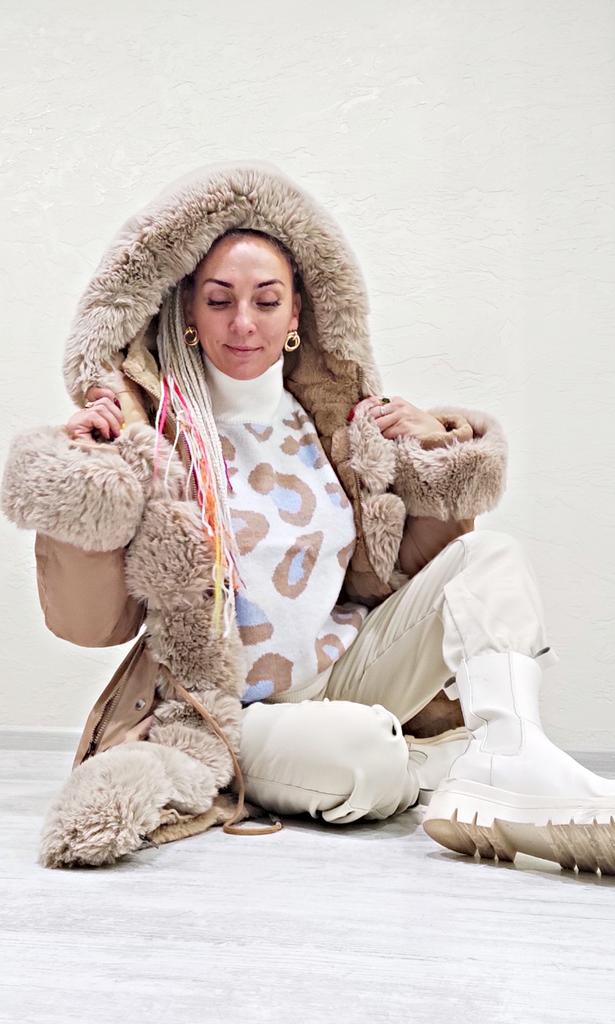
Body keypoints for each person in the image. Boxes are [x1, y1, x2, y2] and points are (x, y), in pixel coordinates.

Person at [3, 161, 614, 873]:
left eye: (266, 301)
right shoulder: (155, 433)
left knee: (490, 557)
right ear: (189, 311)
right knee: (369, 759)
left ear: (296, 313)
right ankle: (448, 768)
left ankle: (510, 757)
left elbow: (402, 580)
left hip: (349, 669)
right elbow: (90, 625)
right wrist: (87, 477)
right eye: (219, 300)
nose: (243, 323)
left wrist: (430, 451)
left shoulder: (338, 423)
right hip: (233, 711)